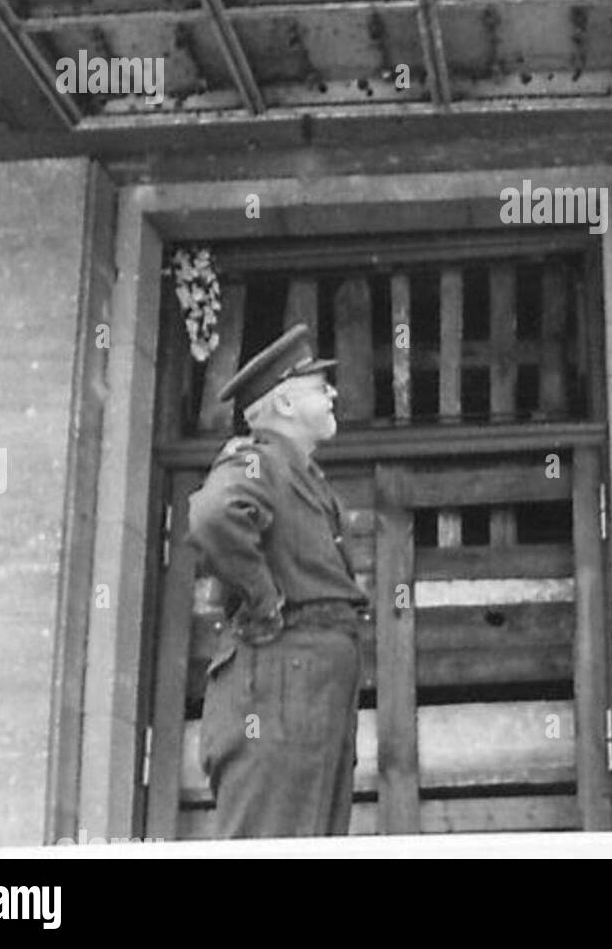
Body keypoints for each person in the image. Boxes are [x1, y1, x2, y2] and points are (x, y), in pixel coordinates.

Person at [187, 323, 369, 838]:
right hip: (278, 691)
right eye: (319, 386)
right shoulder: (256, 458)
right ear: (284, 405)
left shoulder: (299, 474)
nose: (332, 393)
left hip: (306, 689)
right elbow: (214, 515)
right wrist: (265, 601)